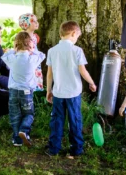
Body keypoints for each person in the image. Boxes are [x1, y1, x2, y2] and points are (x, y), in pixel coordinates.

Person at [45, 21, 97, 157]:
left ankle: (53, 148)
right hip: (73, 93)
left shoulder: (52, 51)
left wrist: (48, 90)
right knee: (75, 120)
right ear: (73, 33)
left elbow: (49, 74)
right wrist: (91, 82)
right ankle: (77, 149)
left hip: (58, 92)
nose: (76, 39)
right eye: (77, 36)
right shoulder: (77, 50)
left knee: (56, 120)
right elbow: (82, 70)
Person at [1, 31, 45, 147]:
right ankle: (24, 130)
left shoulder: (12, 59)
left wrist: (14, 50)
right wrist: (32, 49)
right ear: (30, 45)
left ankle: (17, 139)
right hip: (26, 92)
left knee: (15, 115)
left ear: (16, 45)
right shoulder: (32, 59)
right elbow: (41, 55)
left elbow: (4, 55)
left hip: (13, 92)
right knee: (28, 114)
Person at [18, 13, 43, 91]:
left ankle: (34, 95)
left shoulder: (35, 36)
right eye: (33, 21)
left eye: (36, 21)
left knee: (35, 78)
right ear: (26, 24)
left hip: (35, 61)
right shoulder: (23, 37)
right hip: (28, 62)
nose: (37, 23)